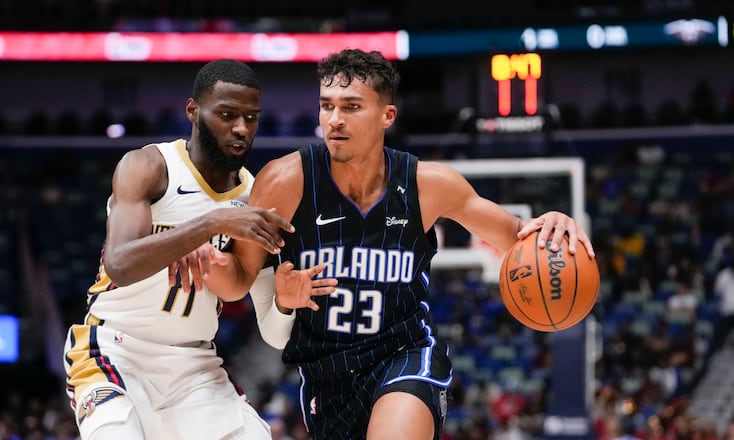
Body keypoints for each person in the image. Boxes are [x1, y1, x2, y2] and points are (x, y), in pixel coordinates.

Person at [202, 49, 596, 440]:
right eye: (327, 106)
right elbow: (236, 283)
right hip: (327, 374)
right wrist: (217, 261)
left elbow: (518, 235)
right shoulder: (285, 180)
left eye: (351, 106)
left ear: (387, 116)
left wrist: (554, 223)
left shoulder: (428, 184)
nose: (334, 120)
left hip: (404, 354)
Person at [62, 59, 333, 440]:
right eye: (227, 115)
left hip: (194, 365)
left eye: (251, 118)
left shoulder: (255, 199)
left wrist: (286, 304)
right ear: (193, 111)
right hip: (115, 350)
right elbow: (119, 264)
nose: (241, 129)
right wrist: (208, 225)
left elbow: (273, 334)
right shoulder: (149, 167)